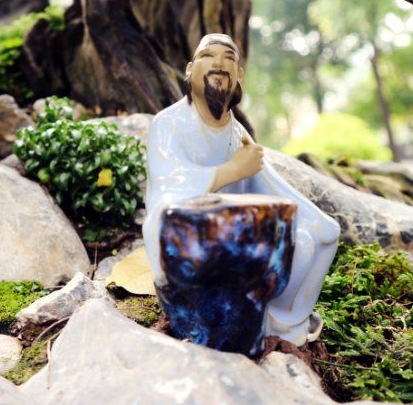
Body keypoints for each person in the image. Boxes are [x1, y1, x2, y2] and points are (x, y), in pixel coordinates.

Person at [143, 33, 340, 345]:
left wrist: (319, 222)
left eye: (229, 58)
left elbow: (269, 182)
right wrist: (230, 171)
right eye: (208, 56)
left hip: (237, 233)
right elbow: (169, 189)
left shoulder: (238, 133)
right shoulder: (168, 124)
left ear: (239, 75)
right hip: (187, 241)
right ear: (189, 69)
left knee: (307, 239)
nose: (219, 63)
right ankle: (226, 330)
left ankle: (279, 321)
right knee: (260, 251)